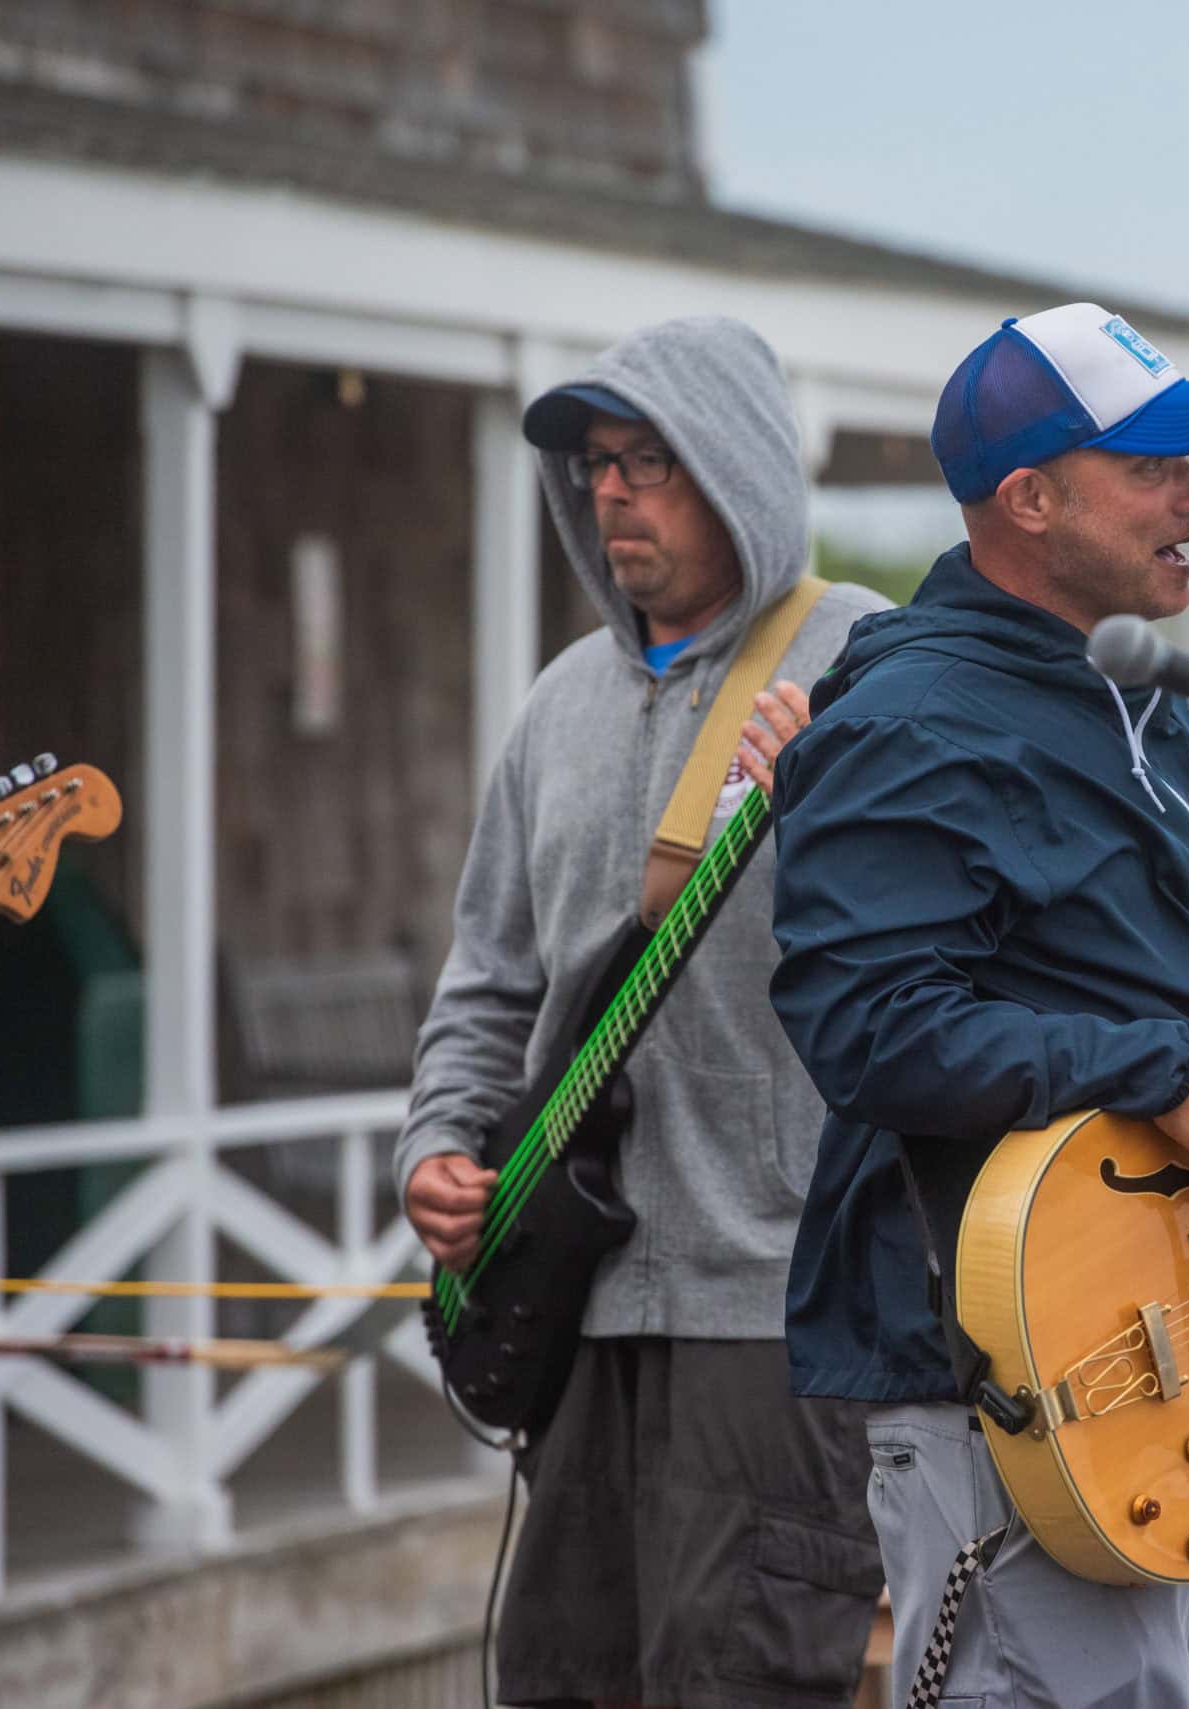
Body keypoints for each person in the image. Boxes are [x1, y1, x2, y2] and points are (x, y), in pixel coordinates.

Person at [759, 302, 1189, 1709]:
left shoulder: (1152, 700)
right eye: (1157, 466)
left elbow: (1171, 991)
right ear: (1031, 500)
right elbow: (866, 1024)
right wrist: (1155, 1070)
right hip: (1012, 1366)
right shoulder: (913, 719)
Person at [394, 314, 890, 1709]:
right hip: (568, 1301)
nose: (610, 491)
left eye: (648, 461)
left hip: (776, 1307)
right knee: (558, 1677)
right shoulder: (559, 704)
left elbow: (941, 953)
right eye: (597, 464)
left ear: (737, 466)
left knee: (739, 1681)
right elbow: (489, 981)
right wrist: (435, 1144)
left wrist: (835, 803)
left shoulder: (869, 663)